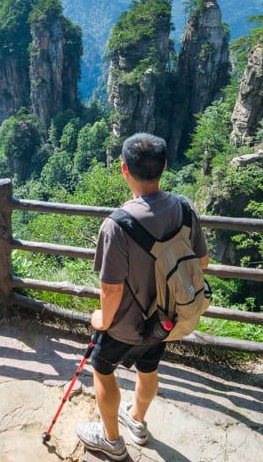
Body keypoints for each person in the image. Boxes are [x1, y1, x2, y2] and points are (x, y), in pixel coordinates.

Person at [75, 133, 209, 460]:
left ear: (124, 170)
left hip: (124, 325)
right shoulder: (185, 209)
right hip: (163, 320)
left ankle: (111, 441)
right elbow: (201, 263)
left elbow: (111, 289)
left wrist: (101, 320)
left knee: (102, 369)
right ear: (164, 166)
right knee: (148, 369)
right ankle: (137, 421)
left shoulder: (117, 224)